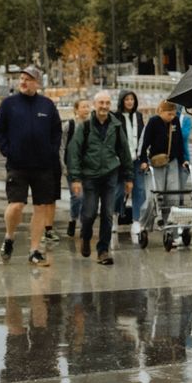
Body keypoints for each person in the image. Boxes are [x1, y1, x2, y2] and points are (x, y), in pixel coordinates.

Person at [0, 66, 64, 266]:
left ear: (37, 83)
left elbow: (56, 132)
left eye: (28, 79)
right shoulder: (9, 104)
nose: (23, 82)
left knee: (40, 207)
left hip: (43, 165)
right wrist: (8, 150)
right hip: (17, 164)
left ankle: (34, 250)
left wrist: (51, 151)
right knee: (16, 205)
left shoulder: (47, 105)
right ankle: (9, 236)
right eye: (21, 78)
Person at [67, 90, 133, 265]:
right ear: (94, 105)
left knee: (107, 213)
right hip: (89, 176)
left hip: (110, 175)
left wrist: (128, 178)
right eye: (101, 103)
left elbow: (124, 152)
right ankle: (86, 237)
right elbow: (74, 152)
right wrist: (75, 178)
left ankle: (103, 250)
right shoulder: (85, 127)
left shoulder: (116, 126)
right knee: (88, 213)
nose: (104, 106)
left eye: (107, 103)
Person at [137, 98, 190, 248]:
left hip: (172, 161)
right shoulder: (153, 122)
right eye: (169, 114)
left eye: (173, 114)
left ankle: (171, 231)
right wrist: (143, 160)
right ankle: (144, 226)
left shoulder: (175, 123)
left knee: (172, 197)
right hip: (156, 162)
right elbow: (145, 142)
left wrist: (182, 160)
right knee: (154, 197)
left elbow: (178, 142)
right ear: (160, 111)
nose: (171, 117)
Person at [113, 89, 147, 237]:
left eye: (132, 99)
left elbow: (143, 138)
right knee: (118, 191)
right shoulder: (114, 117)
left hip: (137, 159)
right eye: (127, 99)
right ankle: (114, 217)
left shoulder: (138, 116)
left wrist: (145, 159)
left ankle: (136, 221)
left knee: (139, 190)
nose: (130, 102)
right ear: (122, 101)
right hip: (120, 161)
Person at [63, 96, 89, 239]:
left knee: (88, 197)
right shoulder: (70, 125)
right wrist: (63, 165)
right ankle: (73, 219)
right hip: (72, 167)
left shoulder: (92, 125)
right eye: (83, 107)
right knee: (77, 196)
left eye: (87, 106)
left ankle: (84, 224)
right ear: (76, 110)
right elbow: (62, 146)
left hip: (88, 167)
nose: (86, 109)